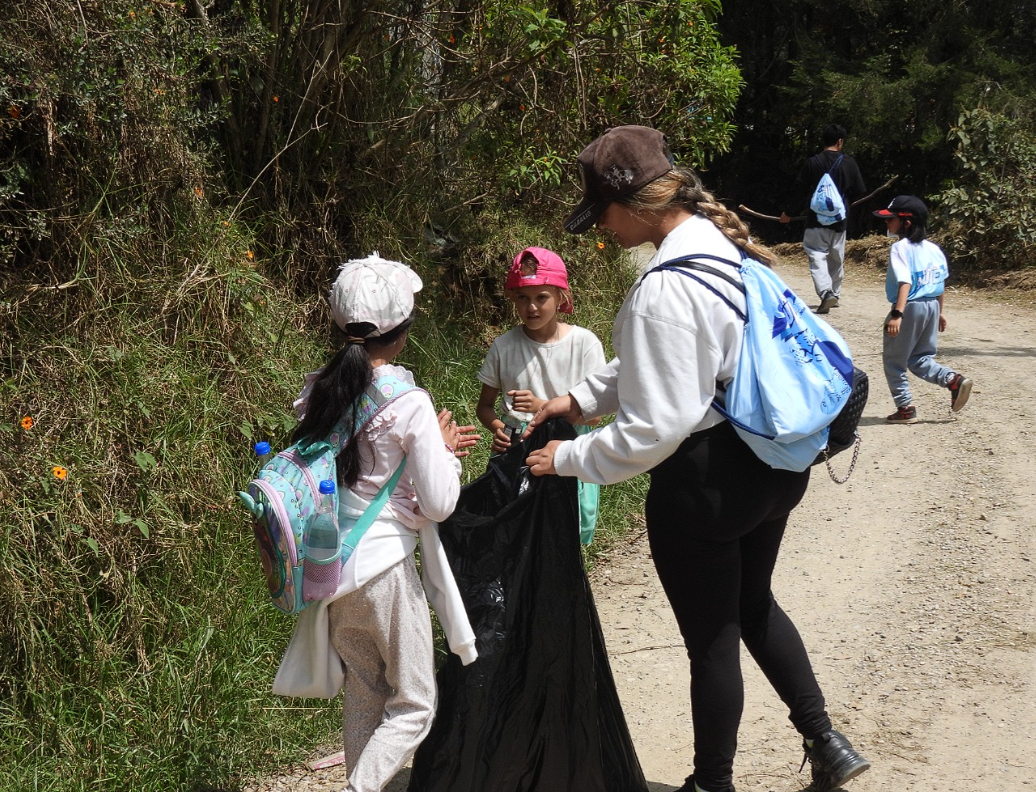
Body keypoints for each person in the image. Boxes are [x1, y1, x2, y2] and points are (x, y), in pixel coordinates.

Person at [527, 125, 871, 792]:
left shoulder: (661, 287)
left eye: (599, 210)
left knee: (711, 639)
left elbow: (656, 427)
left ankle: (710, 784)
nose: (599, 227)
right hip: (774, 464)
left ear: (633, 203)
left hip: (708, 482)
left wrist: (566, 457)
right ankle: (825, 740)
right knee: (755, 604)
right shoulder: (719, 249)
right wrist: (577, 398)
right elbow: (661, 360)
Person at [271, 253, 481, 792]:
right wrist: (448, 451)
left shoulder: (319, 389)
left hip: (332, 569)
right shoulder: (409, 402)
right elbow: (440, 503)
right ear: (404, 331)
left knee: (365, 692)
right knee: (415, 704)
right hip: (386, 569)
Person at [475, 246, 607, 544]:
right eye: (523, 297)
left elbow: (596, 414)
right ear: (512, 298)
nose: (531, 307)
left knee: (563, 538)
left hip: (567, 452)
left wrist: (541, 406)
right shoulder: (504, 346)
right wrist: (499, 430)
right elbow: (485, 407)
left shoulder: (584, 344)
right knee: (513, 536)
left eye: (541, 297)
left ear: (562, 297)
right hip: (516, 456)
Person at [874, 196, 973, 423]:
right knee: (919, 357)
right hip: (930, 306)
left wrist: (897, 314)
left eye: (891, 219)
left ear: (906, 223)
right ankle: (953, 380)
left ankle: (905, 409)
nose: (887, 223)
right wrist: (939, 311)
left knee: (894, 361)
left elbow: (905, 282)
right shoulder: (934, 249)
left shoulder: (900, 248)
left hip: (909, 307)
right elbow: (940, 283)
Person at [780, 123, 866, 314]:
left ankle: (826, 292)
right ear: (840, 141)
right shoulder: (849, 163)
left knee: (816, 255)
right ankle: (834, 294)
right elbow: (859, 191)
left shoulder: (813, 163)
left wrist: (788, 213)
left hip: (815, 221)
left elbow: (800, 191)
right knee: (836, 257)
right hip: (840, 220)